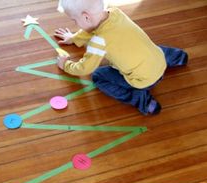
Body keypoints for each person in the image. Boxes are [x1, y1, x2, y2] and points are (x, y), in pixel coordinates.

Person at [54, 0, 188, 115]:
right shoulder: (115, 13)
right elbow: (94, 28)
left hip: (143, 80)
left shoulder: (99, 41)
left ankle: (140, 100)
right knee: (144, 47)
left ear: (86, 17)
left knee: (98, 76)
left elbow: (84, 68)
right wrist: (74, 38)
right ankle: (178, 57)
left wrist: (66, 65)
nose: (75, 24)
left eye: (74, 20)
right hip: (160, 59)